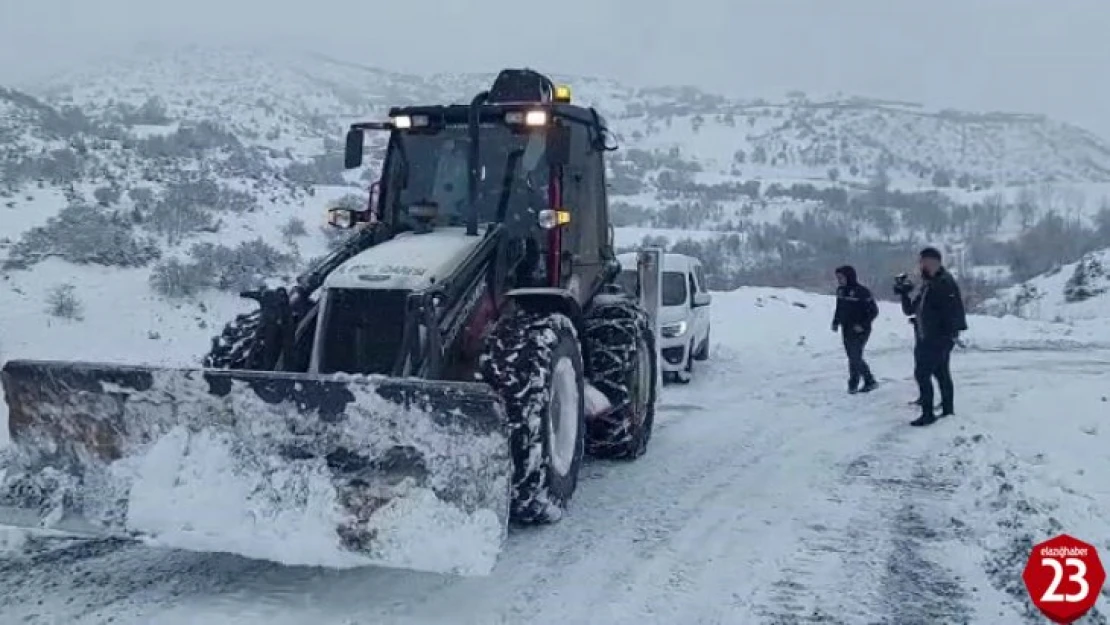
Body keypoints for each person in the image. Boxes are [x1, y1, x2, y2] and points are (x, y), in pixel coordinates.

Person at [897, 247, 968, 426]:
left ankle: (928, 414)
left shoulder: (945, 283)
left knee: (922, 374)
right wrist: (904, 293)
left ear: (933, 262)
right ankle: (946, 408)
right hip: (925, 335)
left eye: (923, 262)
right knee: (941, 372)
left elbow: (953, 313)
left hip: (936, 338)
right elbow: (911, 310)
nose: (920, 265)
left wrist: (948, 336)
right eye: (920, 262)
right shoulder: (928, 283)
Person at [831, 265, 879, 394]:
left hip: (861, 329)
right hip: (846, 328)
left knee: (855, 355)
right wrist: (836, 321)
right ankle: (864, 381)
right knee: (852, 356)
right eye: (838, 278)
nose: (839, 280)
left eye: (841, 277)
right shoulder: (840, 291)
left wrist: (862, 325)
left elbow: (873, 311)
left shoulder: (862, 292)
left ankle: (857, 383)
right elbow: (839, 307)